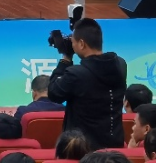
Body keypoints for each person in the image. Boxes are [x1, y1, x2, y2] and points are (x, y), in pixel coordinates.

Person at [48, 18, 128, 150]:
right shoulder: (120, 65)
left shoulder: (76, 74)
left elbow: (54, 93)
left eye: (73, 42)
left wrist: (66, 58)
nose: (72, 45)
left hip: (83, 150)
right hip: (114, 147)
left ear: (81, 44)